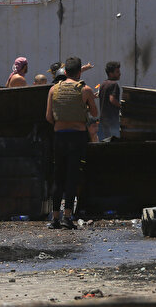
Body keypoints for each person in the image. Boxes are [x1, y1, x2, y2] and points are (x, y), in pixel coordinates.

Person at [45, 57, 98, 230]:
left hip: (59, 136)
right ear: (79, 72)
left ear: (65, 72)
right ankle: (67, 217)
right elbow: (95, 113)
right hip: (77, 137)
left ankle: (54, 218)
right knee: (72, 176)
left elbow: (48, 117)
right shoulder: (86, 90)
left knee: (58, 176)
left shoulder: (54, 89)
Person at [98, 62, 122, 140]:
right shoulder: (114, 84)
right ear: (111, 73)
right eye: (117, 72)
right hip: (112, 120)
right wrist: (122, 106)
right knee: (113, 142)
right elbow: (112, 99)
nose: (119, 74)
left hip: (103, 120)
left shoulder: (103, 84)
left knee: (104, 141)